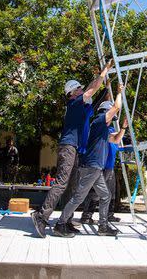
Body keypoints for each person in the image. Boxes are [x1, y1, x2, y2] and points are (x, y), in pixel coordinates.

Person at [31, 60, 113, 238]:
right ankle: (41, 216)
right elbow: (92, 89)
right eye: (79, 89)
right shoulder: (74, 104)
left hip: (75, 149)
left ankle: (64, 223)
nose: (82, 90)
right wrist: (104, 71)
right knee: (61, 183)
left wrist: (107, 87)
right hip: (68, 147)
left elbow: (96, 99)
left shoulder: (82, 108)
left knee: (72, 186)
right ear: (72, 93)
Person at [53, 84, 125, 238]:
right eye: (112, 116)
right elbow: (117, 107)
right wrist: (119, 92)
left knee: (105, 196)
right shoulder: (100, 120)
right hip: (91, 167)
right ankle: (60, 223)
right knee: (78, 197)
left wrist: (123, 128)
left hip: (96, 168)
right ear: (106, 112)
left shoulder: (103, 129)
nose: (113, 119)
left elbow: (116, 139)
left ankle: (103, 226)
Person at [79, 117, 127, 225]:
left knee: (110, 192)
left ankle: (109, 214)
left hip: (110, 165)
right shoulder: (101, 130)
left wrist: (123, 128)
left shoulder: (108, 129)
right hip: (103, 165)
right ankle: (87, 215)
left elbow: (117, 138)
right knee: (96, 192)